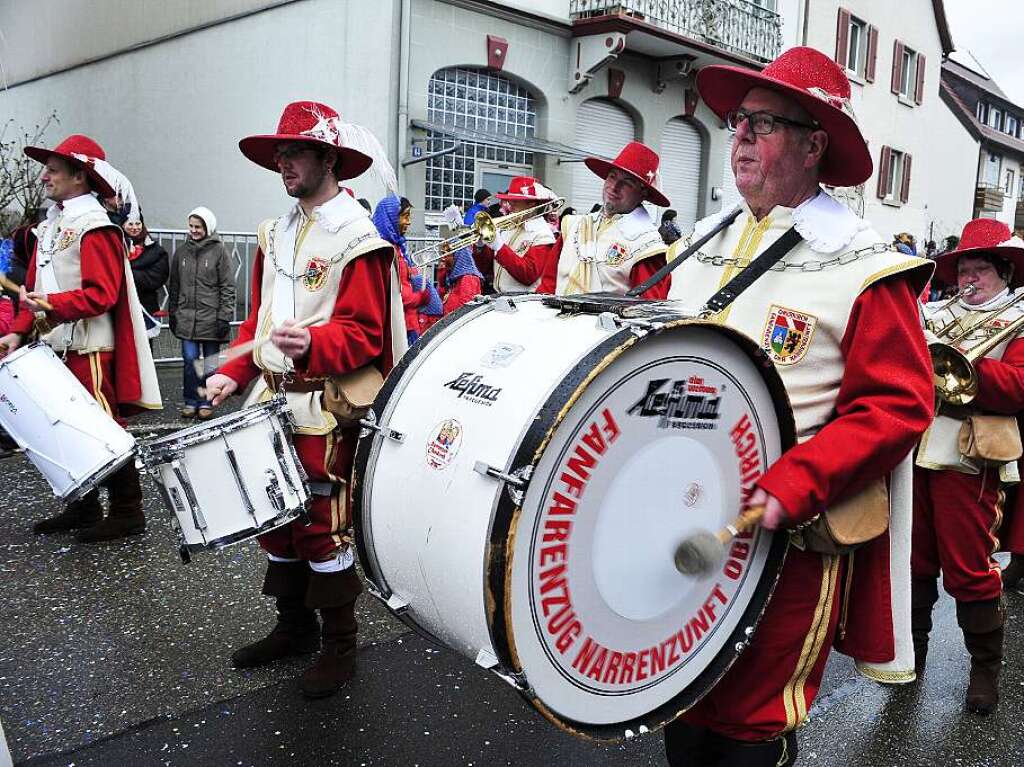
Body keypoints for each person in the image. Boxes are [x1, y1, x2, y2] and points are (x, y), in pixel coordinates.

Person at [662, 47, 934, 765]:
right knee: (681, 710)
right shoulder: (699, 245)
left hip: (783, 538)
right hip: (682, 509)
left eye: (763, 123)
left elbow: (898, 405)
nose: (742, 137)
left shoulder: (864, 264)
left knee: (748, 725)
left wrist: (794, 483)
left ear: (815, 145)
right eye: (737, 122)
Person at [204, 100, 405, 700]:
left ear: (328, 159)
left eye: (293, 153)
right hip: (271, 402)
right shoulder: (277, 231)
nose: (282, 164)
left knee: (322, 528)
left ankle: (339, 645)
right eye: (279, 155)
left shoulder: (358, 237)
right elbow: (260, 321)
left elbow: (368, 333)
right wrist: (234, 371)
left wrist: (315, 341)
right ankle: (291, 628)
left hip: (326, 407)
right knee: (277, 520)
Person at [0, 134, 161, 541]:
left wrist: (50, 304)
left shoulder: (95, 227)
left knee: (103, 428)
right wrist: (17, 333)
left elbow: (102, 294)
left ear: (79, 176)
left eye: (52, 170)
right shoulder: (51, 227)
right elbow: (33, 288)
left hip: (88, 346)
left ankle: (128, 510)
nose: (43, 177)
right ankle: (85, 506)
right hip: (54, 347)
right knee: (63, 427)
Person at [913, 218, 1024, 714]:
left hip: (971, 457)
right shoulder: (935, 312)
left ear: (1003, 271)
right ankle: (911, 654)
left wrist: (966, 368)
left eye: (980, 269)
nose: (969, 280)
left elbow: (1020, 387)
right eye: (963, 270)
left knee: (968, 568)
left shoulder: (1017, 318)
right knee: (913, 562)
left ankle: (984, 668)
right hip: (914, 452)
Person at [537, 141, 671, 299]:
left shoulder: (646, 244)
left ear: (643, 193)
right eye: (612, 177)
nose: (614, 187)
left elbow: (645, 311)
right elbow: (548, 286)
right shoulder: (574, 225)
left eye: (627, 183)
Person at [167, 206, 235, 419]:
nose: (194, 230)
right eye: (191, 226)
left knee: (208, 365)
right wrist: (173, 313)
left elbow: (227, 286)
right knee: (189, 361)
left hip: (212, 318)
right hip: (186, 317)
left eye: (198, 226)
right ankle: (190, 400)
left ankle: (206, 401)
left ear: (208, 227)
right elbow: (175, 285)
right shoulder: (182, 252)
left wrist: (225, 315)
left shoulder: (219, 251)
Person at [372, 194, 441, 345]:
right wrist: (420, 297)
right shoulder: (384, 251)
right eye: (404, 216)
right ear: (390, 218)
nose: (408, 222)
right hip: (397, 325)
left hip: (406, 321)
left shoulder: (397, 247)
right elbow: (392, 296)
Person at [475, 176, 557, 293]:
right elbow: (485, 269)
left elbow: (528, 275)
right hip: (500, 297)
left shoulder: (542, 234)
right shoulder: (511, 226)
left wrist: (499, 246)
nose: (510, 205)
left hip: (524, 302)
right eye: (509, 200)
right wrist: (480, 247)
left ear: (531, 204)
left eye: (515, 201)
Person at [123, 213, 169, 342]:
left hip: (146, 307)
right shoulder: (116, 247)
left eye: (138, 223)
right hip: (122, 306)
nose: (134, 228)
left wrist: (128, 273)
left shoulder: (156, 251)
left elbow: (157, 278)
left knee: (145, 346)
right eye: (130, 224)